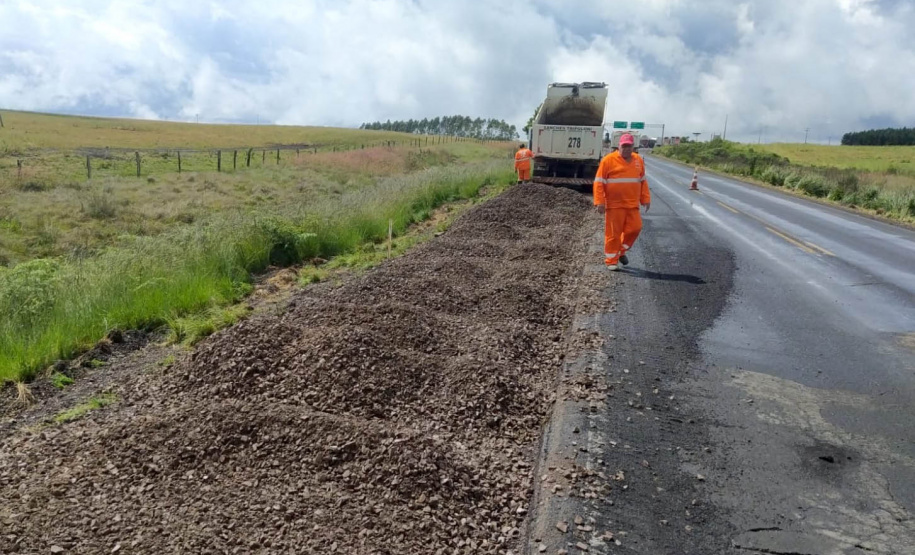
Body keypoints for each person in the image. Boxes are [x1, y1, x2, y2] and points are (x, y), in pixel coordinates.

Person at [593, 133, 651, 271]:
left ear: (633, 147)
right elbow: (599, 182)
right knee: (613, 234)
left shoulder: (638, 160)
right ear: (618, 146)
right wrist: (599, 202)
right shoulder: (608, 160)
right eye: (624, 146)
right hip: (614, 205)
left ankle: (620, 251)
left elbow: (642, 181)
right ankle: (611, 261)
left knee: (635, 229)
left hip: (632, 204)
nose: (626, 149)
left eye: (629, 146)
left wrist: (646, 199)